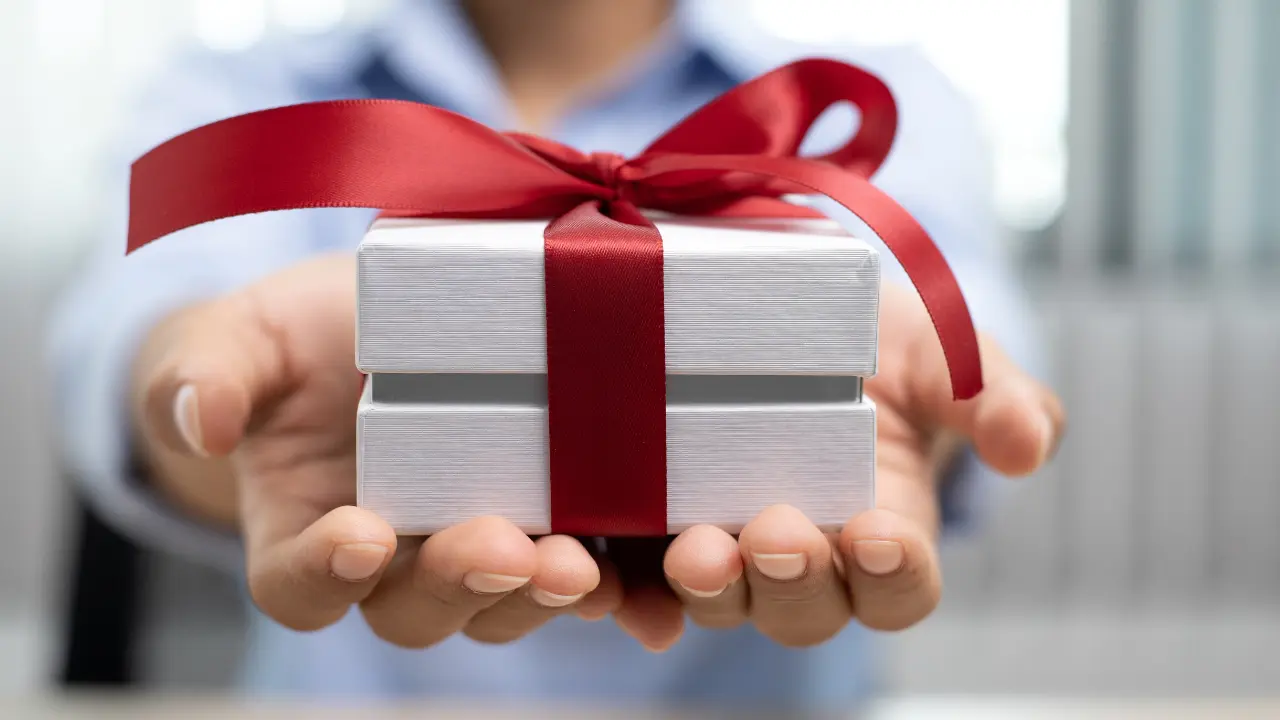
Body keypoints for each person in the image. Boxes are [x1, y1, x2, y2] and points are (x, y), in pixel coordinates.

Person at [48, 0, 1064, 710]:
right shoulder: (243, 81)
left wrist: (924, 418)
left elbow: (956, 340)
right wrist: (203, 397)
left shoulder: (857, 106)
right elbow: (138, 330)